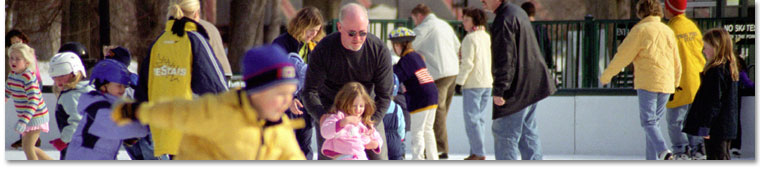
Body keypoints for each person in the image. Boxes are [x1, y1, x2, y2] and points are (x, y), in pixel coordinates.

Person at [112, 45, 306, 160]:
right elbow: (175, 112)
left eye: (290, 93)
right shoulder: (217, 112)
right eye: (280, 94)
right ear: (256, 91)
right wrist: (137, 112)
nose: (287, 101)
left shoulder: (279, 129)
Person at [135, 0, 228, 160]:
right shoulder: (195, 41)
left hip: (163, 135)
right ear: (197, 14)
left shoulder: (159, 43)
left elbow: (142, 91)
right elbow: (216, 84)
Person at [302, 3, 393, 160]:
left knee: (377, 157)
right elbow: (309, 91)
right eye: (351, 33)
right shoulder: (324, 50)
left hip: (365, 111)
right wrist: (322, 117)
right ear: (339, 27)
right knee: (330, 157)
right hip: (332, 111)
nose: (357, 39)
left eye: (362, 33)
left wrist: (372, 120)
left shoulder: (378, 50)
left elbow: (385, 95)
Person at [600, 0, 681, 160]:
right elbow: (676, 59)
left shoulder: (640, 30)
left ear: (640, 12)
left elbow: (623, 56)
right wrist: (676, 82)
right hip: (666, 82)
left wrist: (607, 75)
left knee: (648, 122)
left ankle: (663, 150)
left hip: (648, 82)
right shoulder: (667, 31)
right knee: (654, 124)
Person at [481, 0, 557, 160]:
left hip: (517, 87)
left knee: (504, 133)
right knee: (527, 133)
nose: (482, 0)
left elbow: (505, 57)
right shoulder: (516, 12)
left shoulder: (504, 19)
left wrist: (500, 89)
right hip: (532, 83)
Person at [64, 59, 149, 160]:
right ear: (103, 86)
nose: (123, 89)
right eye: (119, 85)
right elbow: (118, 129)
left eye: (124, 86)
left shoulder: (111, 106)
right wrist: (147, 127)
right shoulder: (98, 109)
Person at [272, 6, 325, 160]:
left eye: (316, 30)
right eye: (310, 30)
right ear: (301, 25)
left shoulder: (313, 47)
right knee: (288, 145)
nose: (313, 34)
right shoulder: (282, 43)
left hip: (306, 103)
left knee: (305, 145)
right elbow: (275, 75)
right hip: (286, 103)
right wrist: (289, 98)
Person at [410, 4, 461, 159]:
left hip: (439, 73)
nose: (414, 23)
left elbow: (409, 42)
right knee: (440, 112)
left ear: (419, 16)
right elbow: (458, 45)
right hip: (452, 72)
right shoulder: (444, 24)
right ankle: (438, 147)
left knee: (436, 112)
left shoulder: (426, 25)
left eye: (414, 20)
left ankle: (439, 149)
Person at [682, 28, 740, 160]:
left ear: (716, 47)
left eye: (706, 47)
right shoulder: (729, 69)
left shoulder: (716, 71)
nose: (703, 51)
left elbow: (713, 102)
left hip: (716, 127)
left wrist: (705, 126)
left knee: (717, 157)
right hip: (725, 126)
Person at [662, 0, 708, 160]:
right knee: (694, 117)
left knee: (675, 120)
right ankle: (697, 149)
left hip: (680, 82)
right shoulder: (691, 26)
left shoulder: (670, 30)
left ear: (670, 9)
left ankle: (681, 150)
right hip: (697, 78)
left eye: (665, 7)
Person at [388, 27, 440, 160]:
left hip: (420, 97)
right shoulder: (416, 56)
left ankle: (418, 159)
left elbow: (396, 75)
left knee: (418, 132)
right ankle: (433, 158)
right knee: (428, 130)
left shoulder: (407, 59)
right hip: (432, 95)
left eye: (394, 45)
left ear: (399, 45)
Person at [455, 7, 493, 160]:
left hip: (473, 83)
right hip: (486, 82)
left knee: (472, 120)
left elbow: (467, 63)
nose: (463, 23)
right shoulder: (485, 36)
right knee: (479, 120)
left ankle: (479, 152)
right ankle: (475, 151)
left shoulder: (469, 38)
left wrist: (459, 82)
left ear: (474, 21)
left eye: (466, 20)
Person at [6, 43, 52, 160]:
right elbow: (6, 92)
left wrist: (23, 121)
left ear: (27, 62)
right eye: (11, 58)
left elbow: (34, 100)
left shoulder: (28, 77)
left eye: (17, 58)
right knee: (28, 146)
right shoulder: (12, 75)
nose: (13, 61)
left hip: (36, 116)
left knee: (28, 147)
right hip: (27, 118)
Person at [47, 52, 94, 160]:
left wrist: (63, 140)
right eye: (54, 77)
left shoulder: (70, 96)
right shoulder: (88, 90)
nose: (58, 80)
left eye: (62, 75)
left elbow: (78, 122)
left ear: (75, 73)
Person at [320, 82, 384, 160]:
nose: (358, 109)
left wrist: (375, 144)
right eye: (354, 106)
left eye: (361, 106)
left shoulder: (364, 122)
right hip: (343, 157)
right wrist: (342, 123)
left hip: (360, 157)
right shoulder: (338, 117)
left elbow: (377, 137)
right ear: (345, 103)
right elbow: (325, 132)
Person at [520, 2, 554, 70]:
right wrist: (550, 63)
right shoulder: (541, 28)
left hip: (525, 64)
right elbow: (547, 45)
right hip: (540, 62)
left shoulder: (521, 28)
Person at [383, 75, 406, 160]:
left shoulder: (377, 107)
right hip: (395, 140)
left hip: (381, 139)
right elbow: (401, 127)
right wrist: (401, 138)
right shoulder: (397, 108)